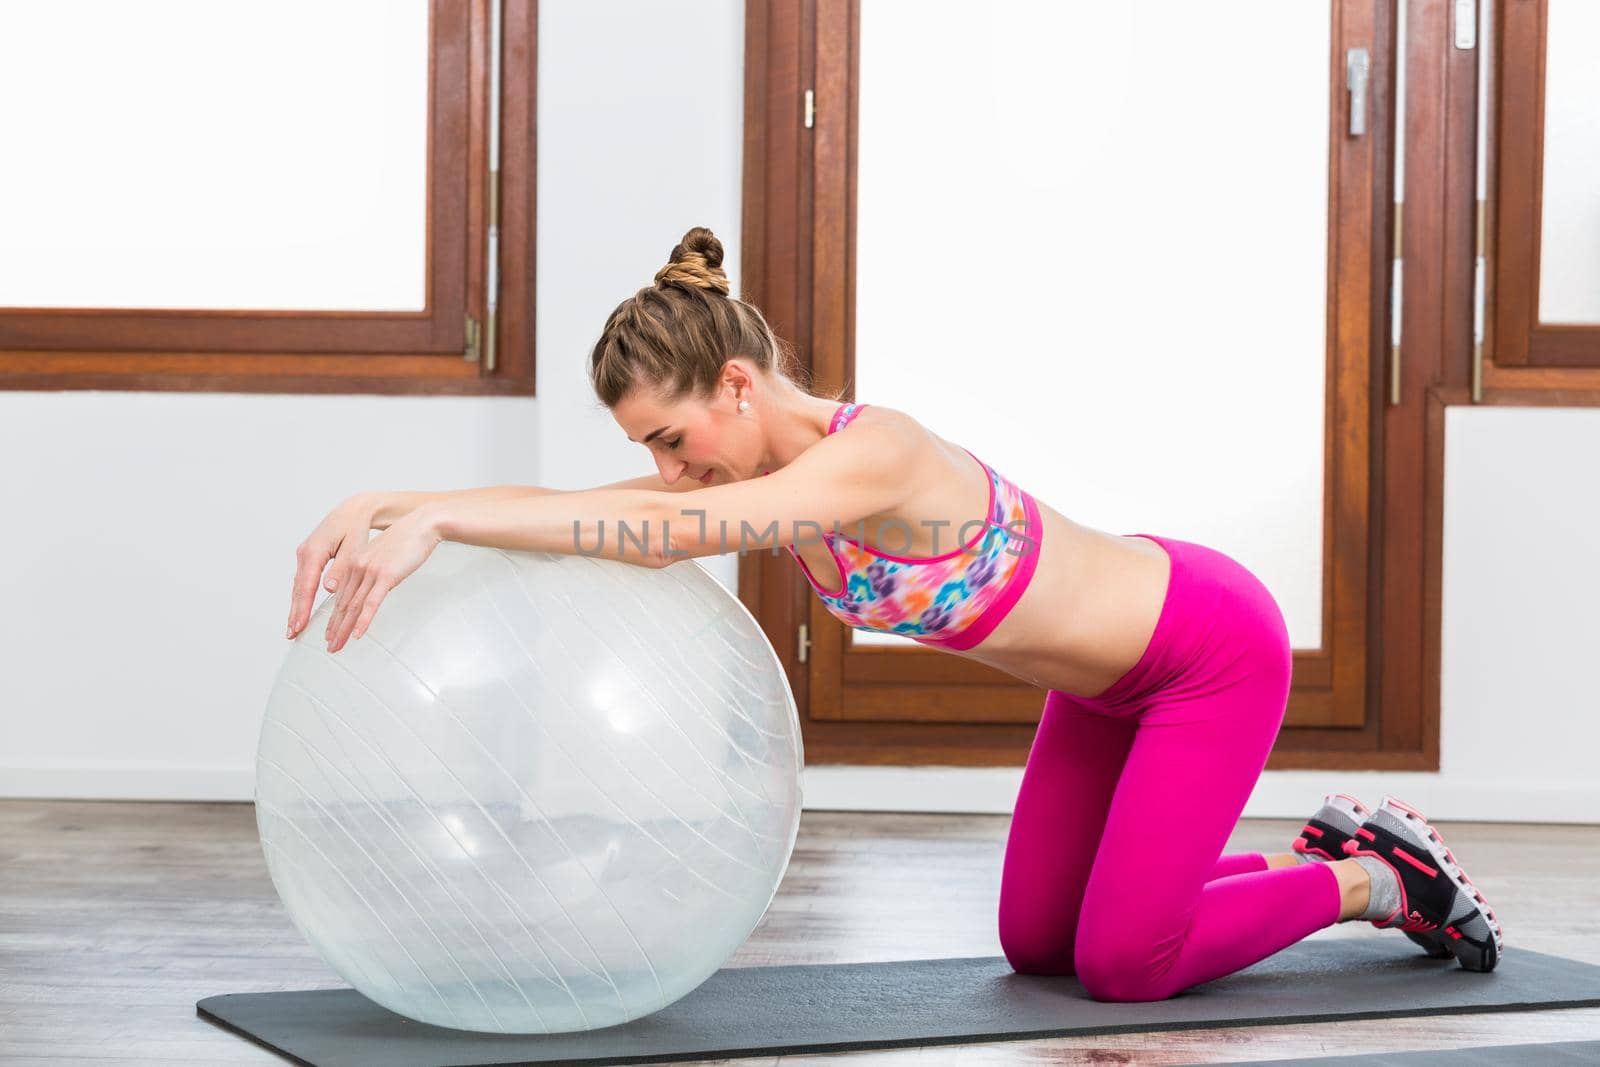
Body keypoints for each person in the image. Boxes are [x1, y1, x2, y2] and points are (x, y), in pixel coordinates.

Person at [284, 226, 1502, 1001]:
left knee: (1124, 964)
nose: (666, 469)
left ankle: (1366, 876)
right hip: (1102, 685)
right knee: (1041, 945)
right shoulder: (763, 483)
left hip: (1202, 651)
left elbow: (655, 533)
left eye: (671, 436)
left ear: (738, 385)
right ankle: (1239, 861)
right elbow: (583, 507)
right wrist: (407, 499)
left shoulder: (876, 459)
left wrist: (439, 520)